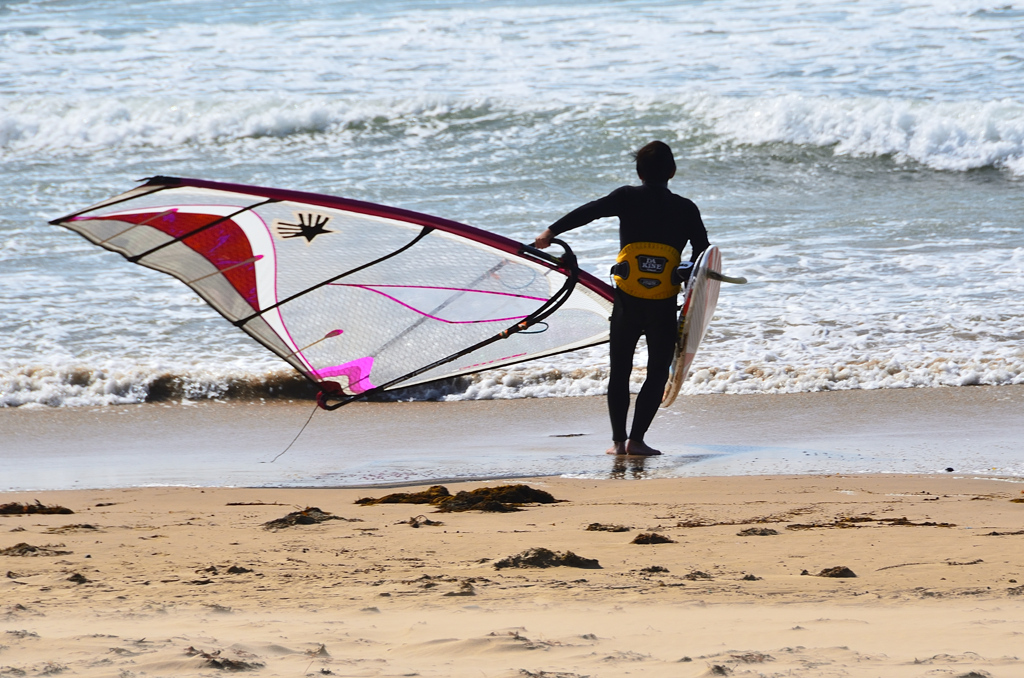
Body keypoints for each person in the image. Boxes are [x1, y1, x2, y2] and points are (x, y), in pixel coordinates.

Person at [534, 141, 709, 456]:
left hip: (627, 299)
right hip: (663, 302)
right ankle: (636, 441)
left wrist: (551, 231)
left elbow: (589, 211)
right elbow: (702, 254)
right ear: (672, 171)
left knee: (620, 370)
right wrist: (684, 274)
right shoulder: (686, 208)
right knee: (657, 371)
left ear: (639, 172)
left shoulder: (626, 197)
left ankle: (617, 442)